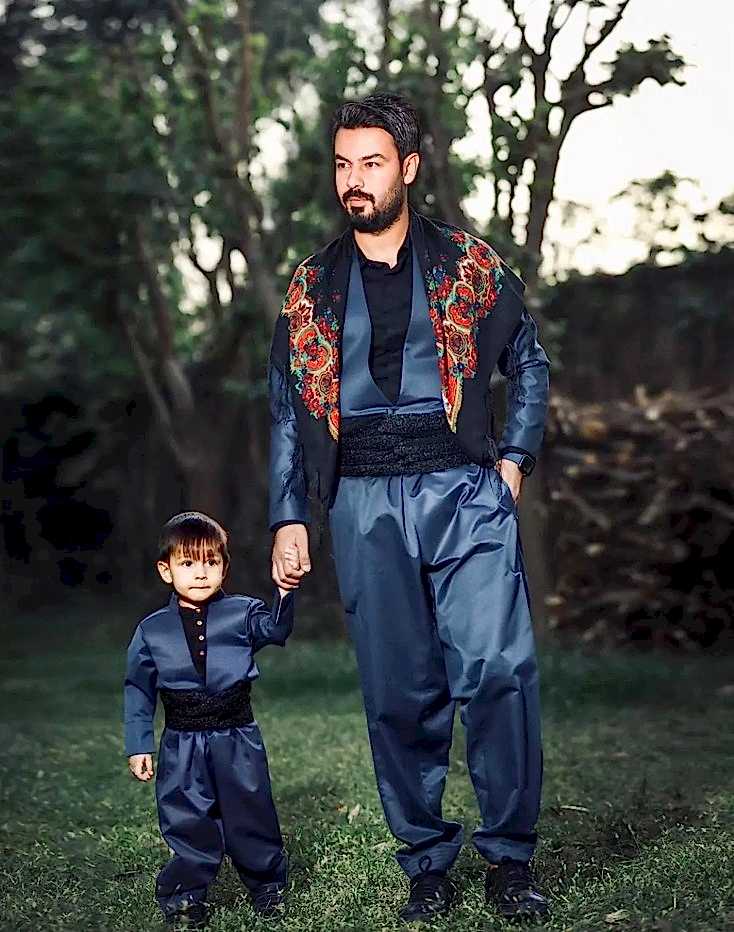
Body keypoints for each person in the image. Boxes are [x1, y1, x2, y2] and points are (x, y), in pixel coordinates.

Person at [269, 92, 550, 924]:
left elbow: (528, 362)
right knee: (398, 691)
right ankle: (426, 863)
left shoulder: (468, 264)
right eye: (343, 164)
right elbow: (286, 408)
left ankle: (509, 860)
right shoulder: (311, 285)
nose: (354, 181)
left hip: (464, 493)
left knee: (497, 671)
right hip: (362, 502)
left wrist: (514, 462)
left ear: (410, 168)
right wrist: (289, 515)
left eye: (372, 162)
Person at [124, 511, 296, 929]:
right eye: (187, 563)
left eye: (211, 562)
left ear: (224, 567)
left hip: (237, 735)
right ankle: (185, 894)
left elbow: (276, 630)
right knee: (186, 814)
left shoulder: (243, 612)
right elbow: (138, 688)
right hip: (181, 740)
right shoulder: (151, 630)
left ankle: (267, 886)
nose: (200, 573)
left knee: (250, 808)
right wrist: (139, 743)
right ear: (166, 570)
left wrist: (285, 591)